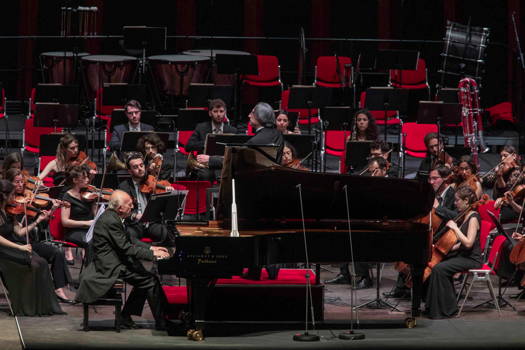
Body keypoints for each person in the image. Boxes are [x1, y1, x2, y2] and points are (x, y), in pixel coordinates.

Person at [76, 190, 170, 330]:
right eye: (129, 204)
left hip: (115, 259)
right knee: (150, 281)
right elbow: (126, 248)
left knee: (144, 276)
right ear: (120, 208)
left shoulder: (113, 217)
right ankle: (162, 323)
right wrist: (154, 256)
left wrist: (151, 248)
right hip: (110, 265)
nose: (132, 207)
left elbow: (130, 240)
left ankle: (126, 316)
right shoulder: (111, 221)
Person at [5, 168, 73, 303]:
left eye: (22, 182)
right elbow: (17, 230)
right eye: (17, 182)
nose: (20, 185)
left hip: (30, 241)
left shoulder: (28, 198)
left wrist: (52, 209)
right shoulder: (7, 204)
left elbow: (43, 220)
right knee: (38, 261)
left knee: (57, 252)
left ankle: (59, 289)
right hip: (15, 244)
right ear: (9, 183)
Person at [0, 180, 64, 316]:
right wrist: (20, 247)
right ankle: (27, 306)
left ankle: (41, 305)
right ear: (4, 196)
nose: (15, 197)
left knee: (42, 263)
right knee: (33, 265)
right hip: (3, 252)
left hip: (12, 248)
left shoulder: (8, 211)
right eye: (12, 195)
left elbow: (20, 232)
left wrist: (37, 221)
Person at [425, 186, 482, 319]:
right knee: (437, 266)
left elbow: (468, 243)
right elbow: (460, 245)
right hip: (463, 255)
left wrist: (455, 228)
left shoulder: (473, 218)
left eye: (457, 201)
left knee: (440, 269)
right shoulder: (465, 216)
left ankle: (448, 309)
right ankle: (436, 307)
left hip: (472, 260)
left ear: (466, 201)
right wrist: (443, 248)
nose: (455, 203)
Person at [195, 102, 284, 169]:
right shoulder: (278, 134)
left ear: (260, 117)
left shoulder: (255, 141)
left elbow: (237, 161)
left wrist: (210, 159)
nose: (249, 115)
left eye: (252, 113)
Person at [118, 153, 174, 246]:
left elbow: (162, 206)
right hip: (135, 224)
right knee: (128, 235)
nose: (140, 169)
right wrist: (135, 215)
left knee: (167, 233)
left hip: (151, 223)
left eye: (141, 165)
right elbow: (121, 211)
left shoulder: (151, 181)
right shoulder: (124, 187)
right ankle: (148, 252)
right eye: (135, 167)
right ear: (130, 171)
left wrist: (167, 193)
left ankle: (166, 258)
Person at [185, 99, 237, 181]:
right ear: (210, 113)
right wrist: (206, 143)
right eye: (215, 111)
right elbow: (188, 146)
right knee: (206, 175)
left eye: (221, 111)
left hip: (223, 163)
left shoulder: (232, 130)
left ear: (225, 112)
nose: (219, 114)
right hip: (206, 164)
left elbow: (235, 152)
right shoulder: (201, 127)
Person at [61, 165, 96, 256]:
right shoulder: (67, 196)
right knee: (91, 243)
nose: (88, 180)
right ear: (75, 180)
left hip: (90, 229)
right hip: (75, 231)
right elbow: (65, 222)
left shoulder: (89, 194)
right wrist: (86, 223)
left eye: (87, 177)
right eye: (84, 178)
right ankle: (89, 268)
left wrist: (95, 203)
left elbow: (95, 214)